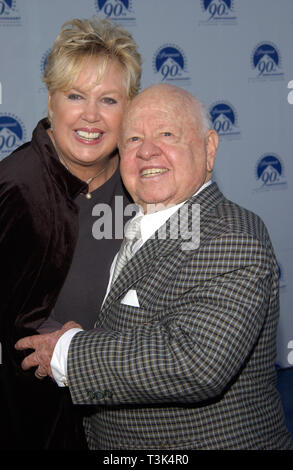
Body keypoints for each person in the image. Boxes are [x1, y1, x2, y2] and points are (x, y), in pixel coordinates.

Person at [15, 84, 293, 450]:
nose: (147, 151)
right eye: (132, 139)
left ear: (209, 149)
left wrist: (68, 350)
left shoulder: (231, 235)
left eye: (166, 134)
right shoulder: (125, 223)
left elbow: (197, 361)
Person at [0, 16, 141, 449]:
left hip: (130, 411)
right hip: (39, 420)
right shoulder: (14, 185)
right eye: (75, 95)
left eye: (110, 100)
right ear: (51, 101)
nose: (91, 116)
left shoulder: (147, 181)